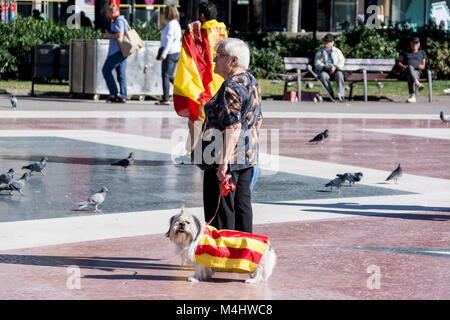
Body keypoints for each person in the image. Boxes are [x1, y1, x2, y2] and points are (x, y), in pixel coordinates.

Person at [200, 38, 262, 234]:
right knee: (242, 207)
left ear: (233, 60)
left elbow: (233, 127)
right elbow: (258, 120)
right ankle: (244, 254)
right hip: (247, 158)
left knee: (221, 211)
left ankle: (225, 255)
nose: (215, 60)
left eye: (220, 56)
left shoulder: (230, 87)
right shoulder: (252, 81)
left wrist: (223, 163)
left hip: (225, 158)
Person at [172, 1, 227, 164]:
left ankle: (196, 154)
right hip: (219, 81)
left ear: (202, 15)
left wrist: (189, 31)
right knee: (202, 120)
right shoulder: (221, 31)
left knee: (197, 119)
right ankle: (192, 151)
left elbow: (195, 53)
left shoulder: (202, 32)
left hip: (205, 83)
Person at [101, 4, 128, 103]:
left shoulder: (119, 20)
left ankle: (114, 93)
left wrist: (109, 35)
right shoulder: (121, 20)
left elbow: (119, 34)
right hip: (123, 51)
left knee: (106, 70)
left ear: (112, 12)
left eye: (108, 13)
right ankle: (123, 95)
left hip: (117, 51)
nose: (108, 16)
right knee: (121, 74)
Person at [156, 5, 182, 105]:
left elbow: (169, 40)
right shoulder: (176, 24)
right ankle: (181, 88)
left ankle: (166, 98)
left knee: (166, 76)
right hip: (176, 51)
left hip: (170, 52)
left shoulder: (171, 24)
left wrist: (164, 54)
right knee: (170, 75)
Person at [313, 33, 346, 102]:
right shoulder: (320, 52)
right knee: (323, 76)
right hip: (325, 70)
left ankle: (341, 95)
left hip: (336, 70)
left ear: (332, 43)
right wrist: (326, 67)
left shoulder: (337, 51)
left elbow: (342, 61)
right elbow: (317, 63)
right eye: (325, 41)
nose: (326, 43)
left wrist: (335, 66)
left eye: (328, 41)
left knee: (339, 75)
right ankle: (330, 94)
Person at [397, 37, 427, 103]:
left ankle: (413, 96)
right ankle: (417, 83)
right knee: (410, 67)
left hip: (417, 72)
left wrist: (421, 67)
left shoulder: (422, 53)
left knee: (410, 76)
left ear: (419, 44)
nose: (415, 45)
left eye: (416, 43)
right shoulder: (405, 52)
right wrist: (403, 66)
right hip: (405, 71)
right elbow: (399, 62)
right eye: (413, 43)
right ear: (411, 44)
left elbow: (423, 66)